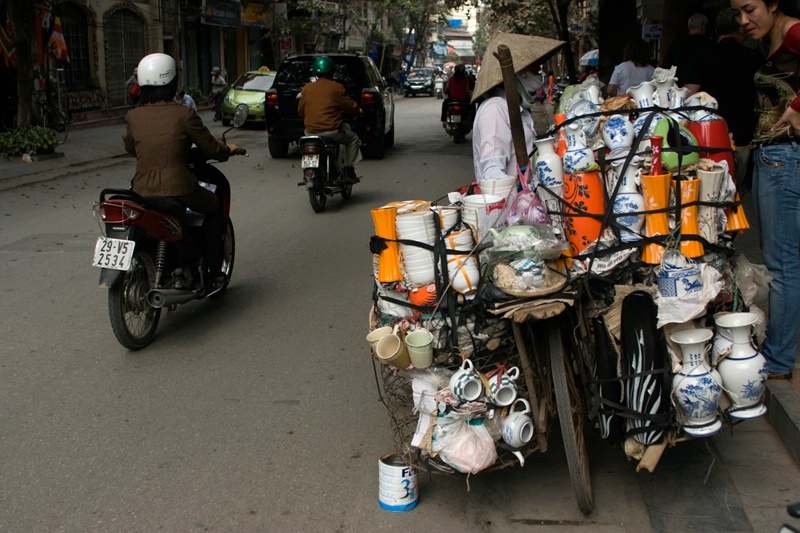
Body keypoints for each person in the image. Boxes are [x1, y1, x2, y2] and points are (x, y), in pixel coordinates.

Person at [123, 53, 238, 291]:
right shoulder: (183, 113)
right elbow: (210, 147)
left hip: (141, 191)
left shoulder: (133, 116)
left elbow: (131, 147)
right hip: (180, 189)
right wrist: (227, 150)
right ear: (173, 82)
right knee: (215, 207)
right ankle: (214, 271)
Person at [730, 0, 800, 379]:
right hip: (780, 158)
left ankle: (777, 359)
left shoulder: (791, 31)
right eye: (737, 13)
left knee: (784, 266)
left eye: (750, 9)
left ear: (773, 4)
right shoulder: (777, 38)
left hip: (783, 159)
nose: (743, 20)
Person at [683, 8, 764, 185]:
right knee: (734, 190)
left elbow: (688, 98)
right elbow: (763, 101)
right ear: (741, 31)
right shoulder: (754, 59)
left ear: (716, 31)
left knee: (709, 191)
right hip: (742, 136)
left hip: (707, 136)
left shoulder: (701, 58)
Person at [471, 33, 563, 184]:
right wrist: (519, 188)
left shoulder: (520, 110)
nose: (539, 74)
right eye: (535, 70)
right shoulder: (495, 110)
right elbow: (492, 173)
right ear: (520, 73)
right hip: (507, 205)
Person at [297, 55, 362, 182]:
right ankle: (348, 169)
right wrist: (358, 111)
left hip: (309, 132)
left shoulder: (307, 88)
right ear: (332, 71)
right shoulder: (336, 88)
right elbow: (351, 106)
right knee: (353, 138)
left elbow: (300, 111)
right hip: (331, 132)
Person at [662, 13, 714, 84]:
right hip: (702, 89)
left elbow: (666, 67)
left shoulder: (676, 44)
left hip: (677, 88)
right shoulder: (709, 45)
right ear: (703, 27)